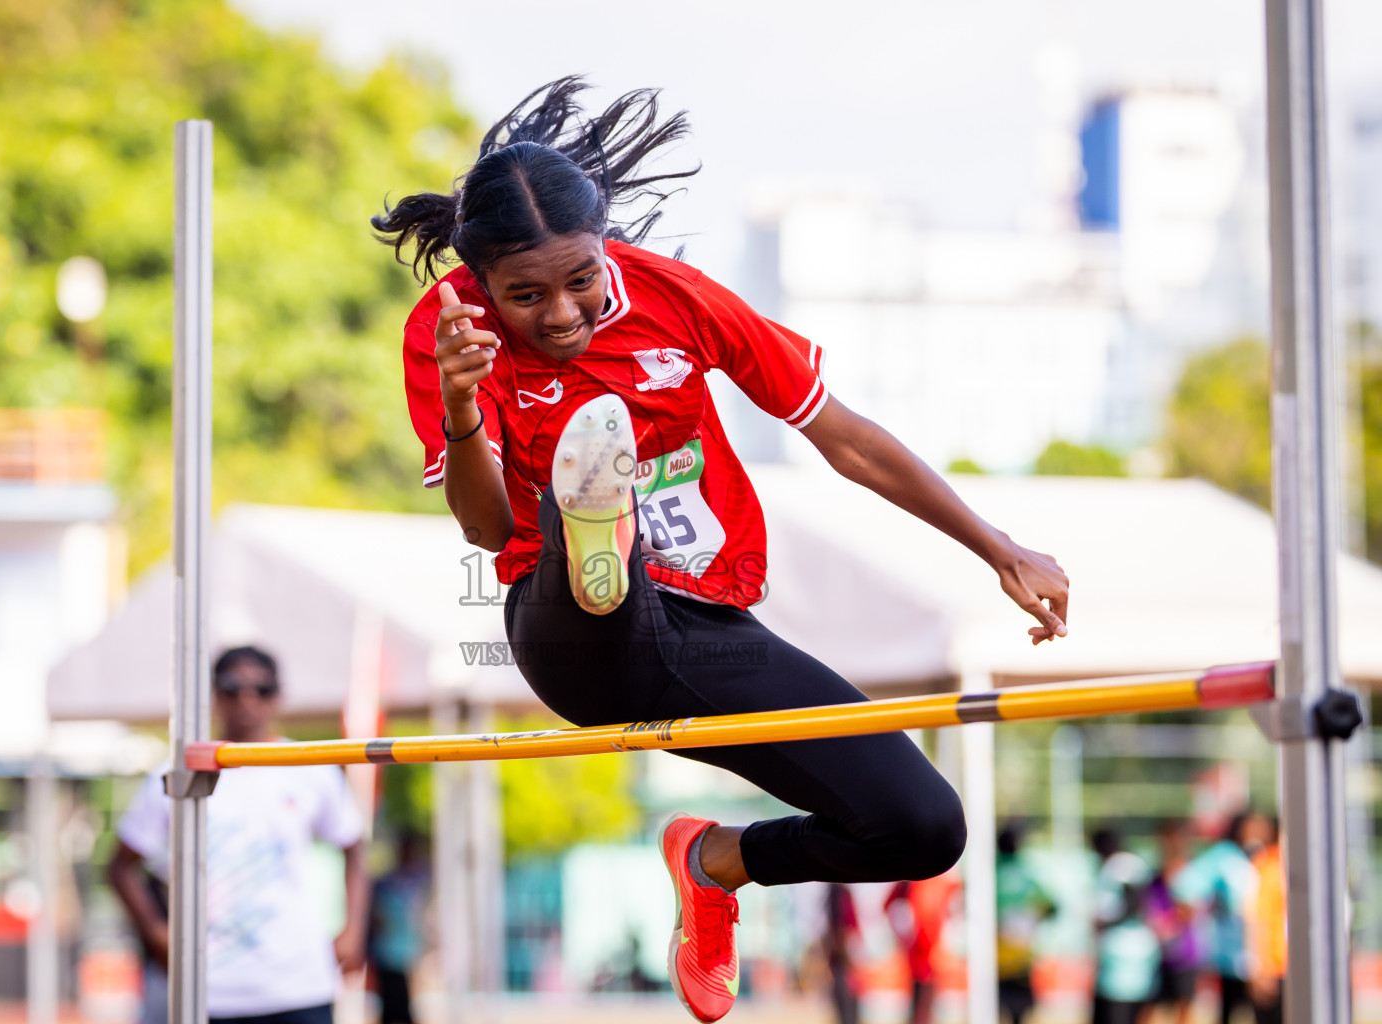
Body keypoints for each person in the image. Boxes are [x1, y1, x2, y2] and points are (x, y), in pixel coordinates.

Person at [374, 77, 1070, 1024]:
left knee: (921, 827)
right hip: (567, 634)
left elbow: (845, 436)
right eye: (525, 296)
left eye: (579, 279)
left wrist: (997, 547)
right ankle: (595, 527)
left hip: (709, 634)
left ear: (606, 244)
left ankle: (713, 861)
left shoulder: (678, 298)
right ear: (483, 285)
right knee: (593, 579)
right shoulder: (450, 332)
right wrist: (462, 414)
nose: (563, 314)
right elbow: (489, 530)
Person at [107, 647, 366, 1024]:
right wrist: (157, 934)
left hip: (299, 984)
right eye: (232, 688)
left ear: (277, 696)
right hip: (211, 989)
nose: (246, 699)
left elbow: (355, 847)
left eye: (260, 689)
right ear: (214, 695)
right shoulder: (177, 775)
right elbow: (120, 867)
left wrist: (353, 930)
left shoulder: (308, 766)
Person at [1173, 811, 1268, 1024]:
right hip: (1234, 955)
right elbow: (1186, 886)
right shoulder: (1225, 857)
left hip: (1259, 953)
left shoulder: (1259, 857)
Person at [1090, 827, 1160, 1024]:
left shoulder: (1117, 866)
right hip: (1136, 954)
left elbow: (1134, 900)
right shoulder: (1133, 863)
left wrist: (1107, 923)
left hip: (1123, 957)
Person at [994, 823, 1056, 1024]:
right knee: (1019, 1013)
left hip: (996, 957)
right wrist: (1030, 922)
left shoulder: (991, 872)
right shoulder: (1026, 874)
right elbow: (1053, 907)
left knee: (995, 1008)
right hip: (1021, 956)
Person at [367, 832, 430, 1024]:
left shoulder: (422, 881)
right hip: (389, 955)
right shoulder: (386, 884)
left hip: (409, 955)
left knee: (403, 1007)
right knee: (393, 1007)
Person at [883, 872, 959, 1024]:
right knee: (921, 1006)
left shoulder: (935, 882)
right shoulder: (912, 883)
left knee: (925, 1005)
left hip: (929, 957)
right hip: (921, 957)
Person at [1143, 820, 1199, 1024]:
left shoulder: (1190, 874)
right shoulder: (1156, 878)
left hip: (1184, 955)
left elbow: (1192, 909)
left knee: (1183, 1010)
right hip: (1159, 955)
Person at [1246, 824, 1285, 1024]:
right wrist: (1259, 967)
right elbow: (1256, 919)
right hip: (1274, 967)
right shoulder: (1267, 867)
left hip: (1296, 964)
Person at [823, 883, 862, 1024]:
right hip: (842, 954)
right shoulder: (836, 892)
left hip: (845, 953)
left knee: (848, 996)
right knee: (845, 997)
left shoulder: (840, 893)